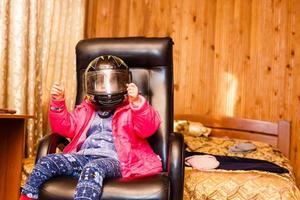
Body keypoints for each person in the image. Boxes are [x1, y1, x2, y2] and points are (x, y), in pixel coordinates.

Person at [20, 55, 162, 200]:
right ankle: (27, 197)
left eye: (112, 83)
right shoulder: (86, 109)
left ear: (123, 84)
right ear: (91, 85)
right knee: (47, 161)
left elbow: (148, 128)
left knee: (93, 168)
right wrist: (58, 103)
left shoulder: (130, 110)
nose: (106, 87)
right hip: (83, 156)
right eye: (101, 83)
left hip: (115, 161)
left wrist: (138, 104)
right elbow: (63, 128)